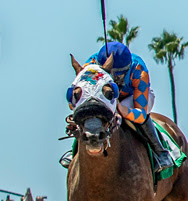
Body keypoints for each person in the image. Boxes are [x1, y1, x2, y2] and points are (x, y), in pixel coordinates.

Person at [62, 41, 173, 172]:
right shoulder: (90, 65)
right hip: (106, 96)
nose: (113, 79)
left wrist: (123, 110)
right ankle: (74, 152)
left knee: (131, 112)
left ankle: (160, 152)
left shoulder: (138, 71)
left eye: (118, 75)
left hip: (132, 97)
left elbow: (141, 114)